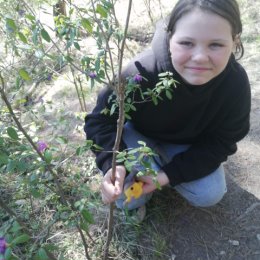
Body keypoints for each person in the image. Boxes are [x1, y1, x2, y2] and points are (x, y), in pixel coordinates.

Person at [84, 0, 251, 213]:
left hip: (187, 145)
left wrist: (164, 177)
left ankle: (159, 168)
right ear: (171, 37)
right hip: (137, 136)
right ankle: (145, 170)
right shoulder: (139, 73)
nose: (199, 57)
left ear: (235, 41)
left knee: (209, 194)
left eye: (216, 45)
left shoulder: (235, 83)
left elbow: (222, 142)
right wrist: (113, 163)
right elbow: (99, 121)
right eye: (187, 43)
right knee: (128, 200)